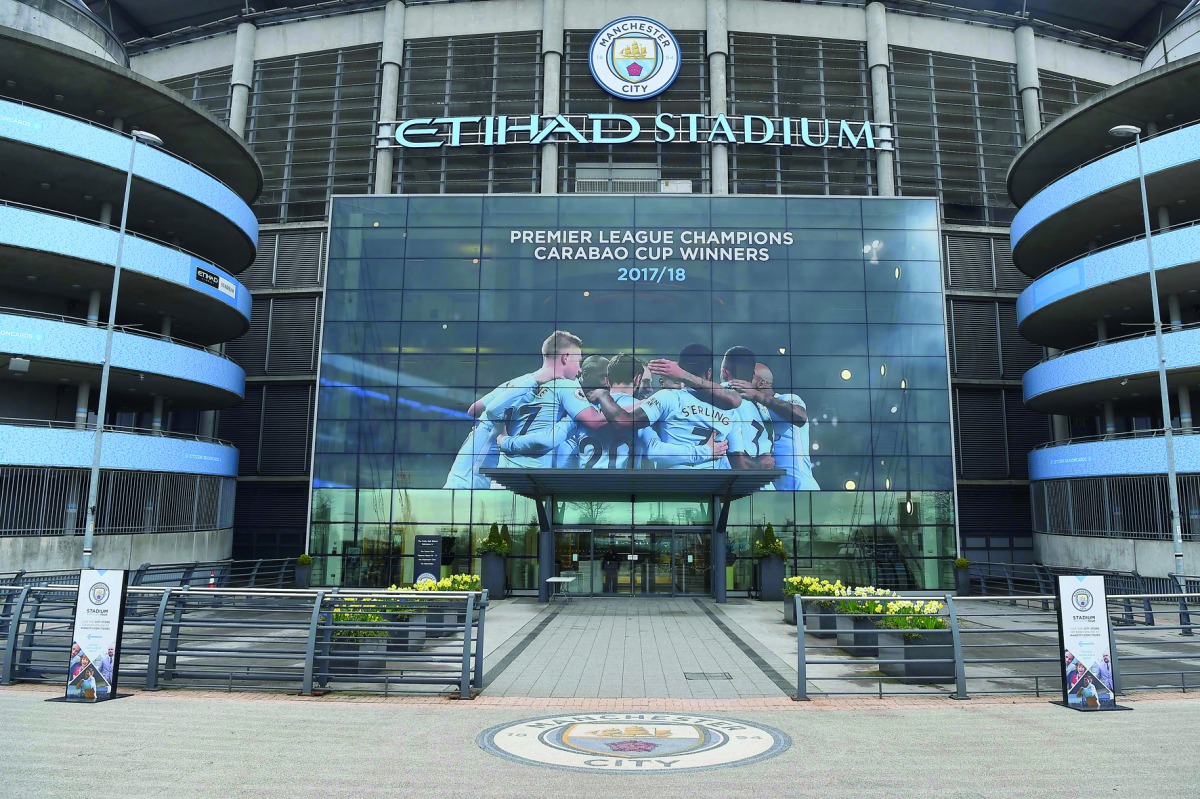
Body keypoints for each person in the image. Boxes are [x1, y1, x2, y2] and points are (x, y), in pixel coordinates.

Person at [591, 343, 736, 470]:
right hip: (715, 485)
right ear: (710, 372)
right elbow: (737, 457)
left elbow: (654, 450)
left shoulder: (668, 397)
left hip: (676, 486)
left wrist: (601, 395)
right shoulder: (730, 406)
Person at [736, 363, 820, 490]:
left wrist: (756, 395)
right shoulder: (751, 409)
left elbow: (800, 417)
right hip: (775, 492)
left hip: (800, 487)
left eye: (748, 378)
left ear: (761, 383)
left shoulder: (787, 398)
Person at [717, 347, 776, 473]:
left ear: (724, 372)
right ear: (753, 374)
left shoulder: (721, 393)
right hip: (765, 479)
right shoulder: (762, 400)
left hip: (740, 479)